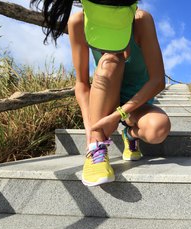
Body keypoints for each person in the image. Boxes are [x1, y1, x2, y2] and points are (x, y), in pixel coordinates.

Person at [30, 0, 171, 187]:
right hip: (105, 96)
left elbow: (157, 80)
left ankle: (129, 135)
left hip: (136, 102)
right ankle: (96, 149)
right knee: (111, 61)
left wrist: (119, 115)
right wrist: (92, 130)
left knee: (157, 129)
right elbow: (81, 85)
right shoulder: (79, 22)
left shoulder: (141, 20)